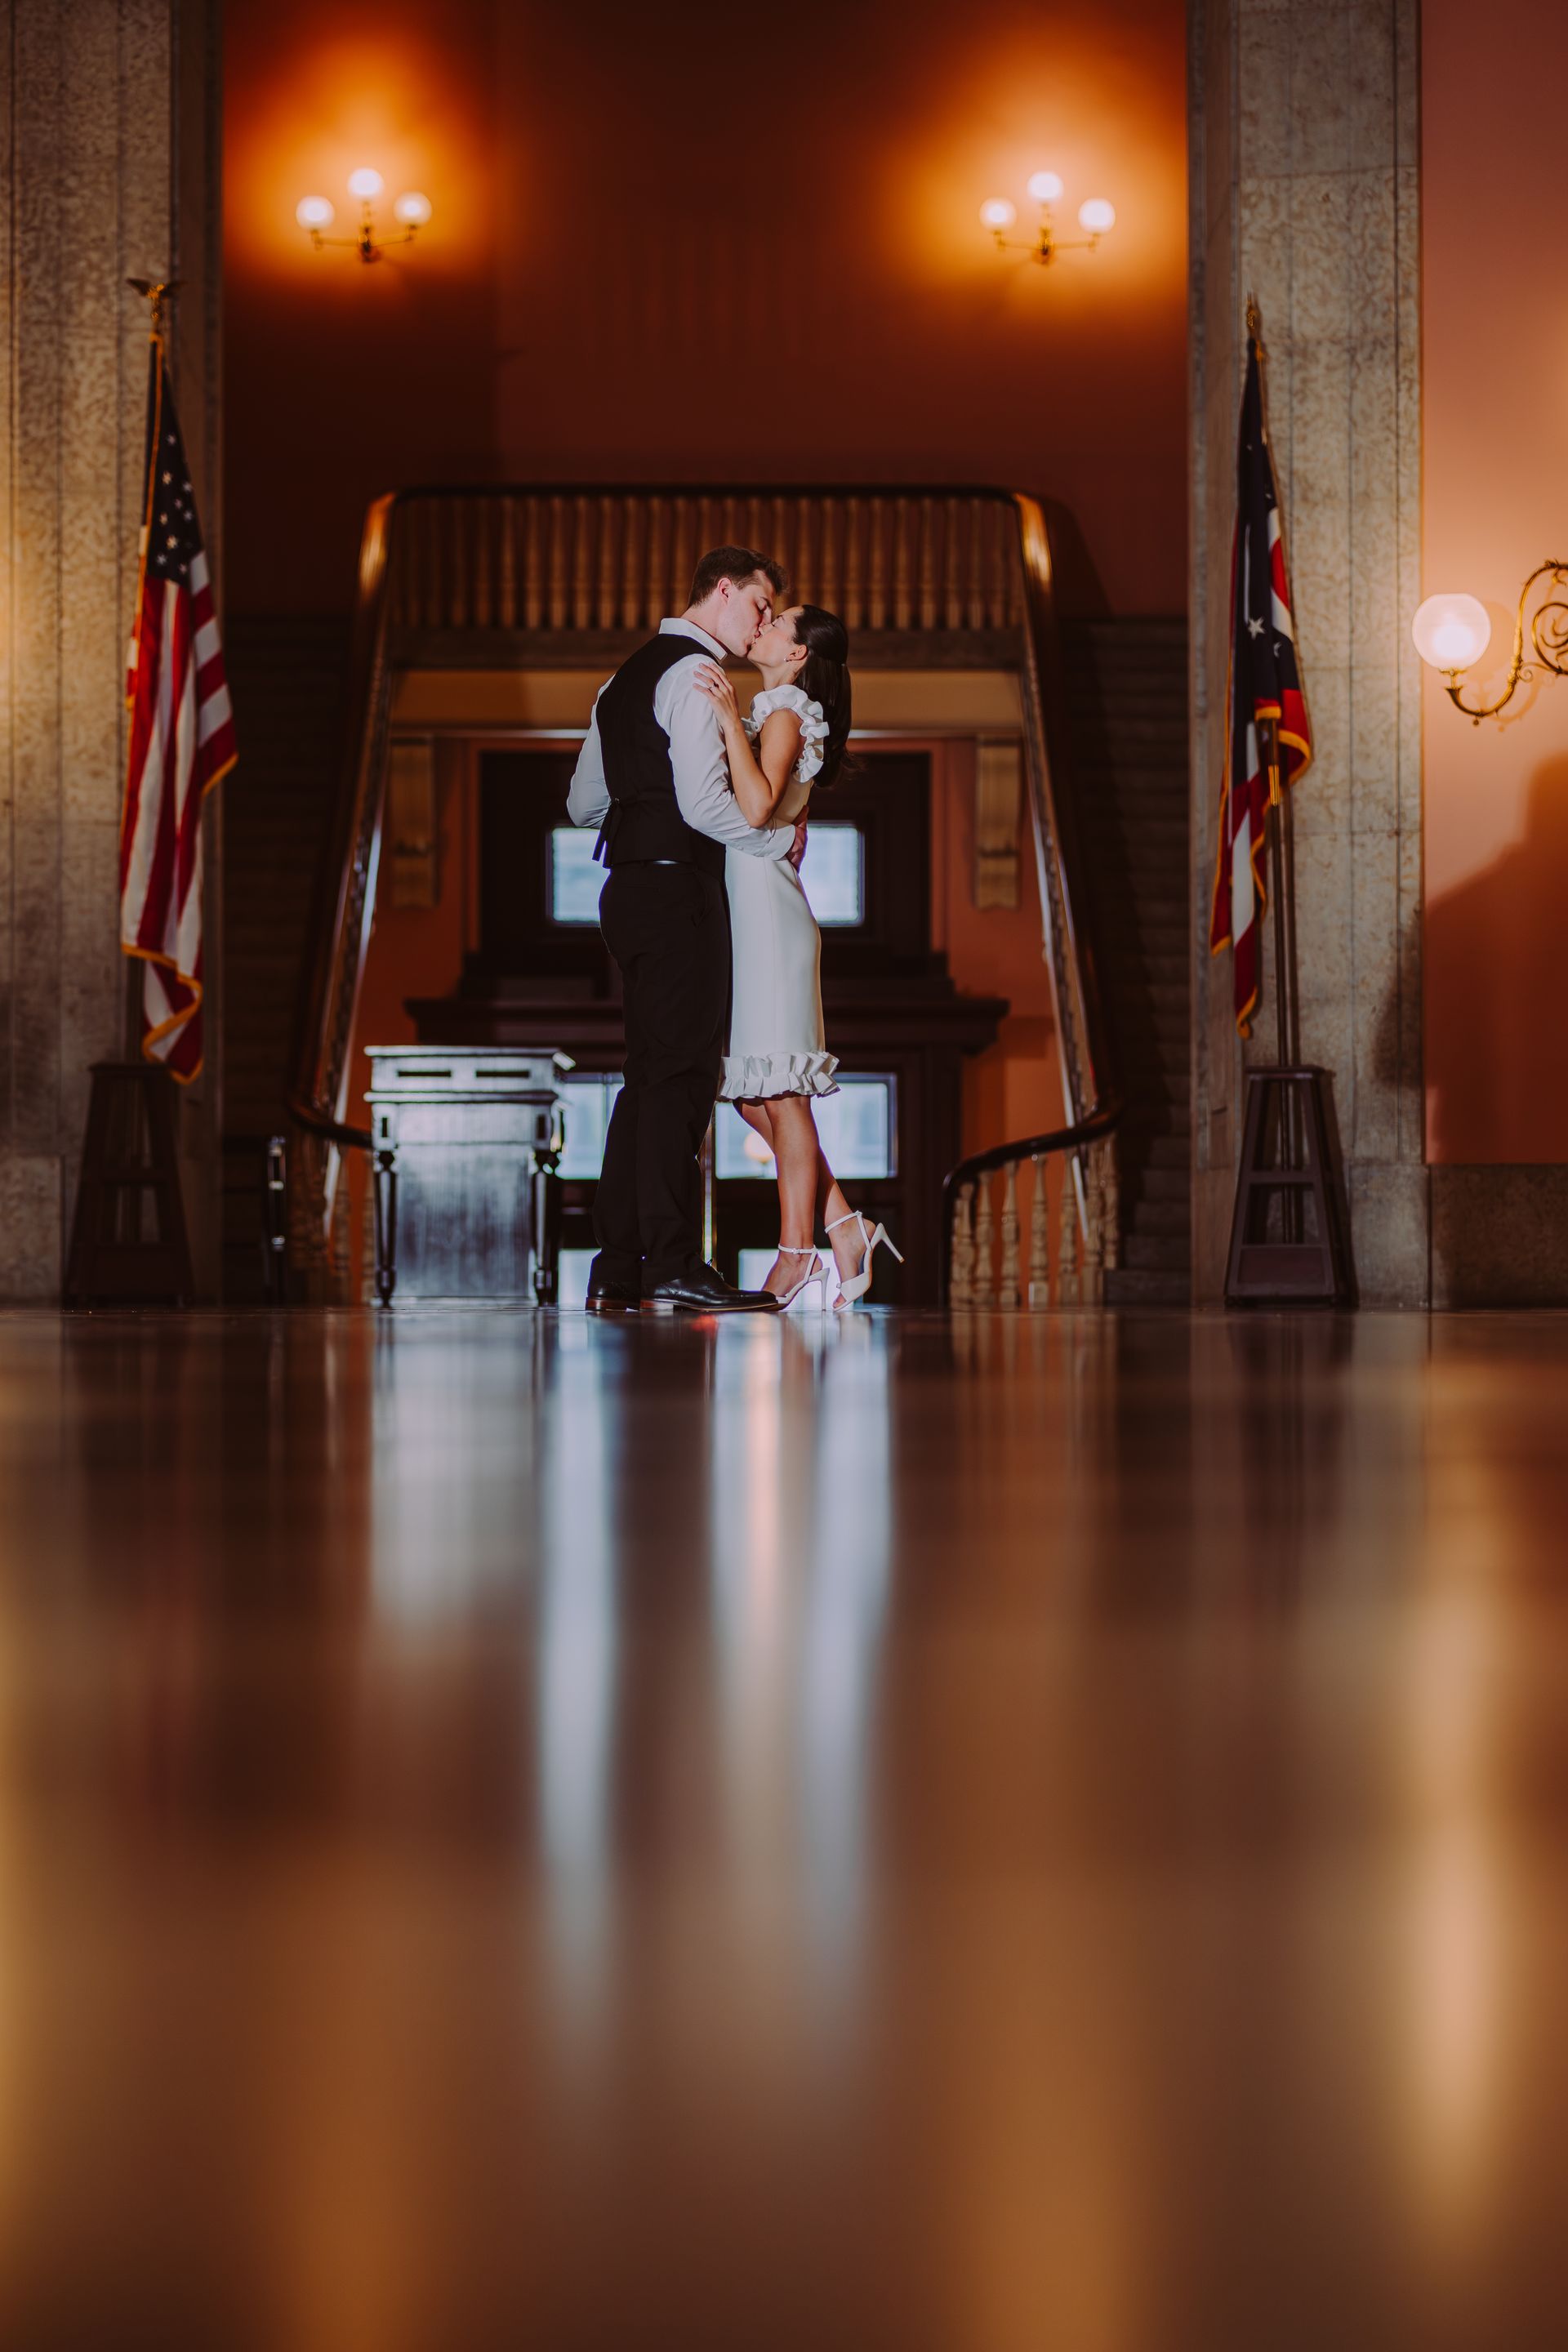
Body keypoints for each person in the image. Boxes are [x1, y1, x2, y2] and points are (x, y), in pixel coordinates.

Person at [566, 546, 804, 1313]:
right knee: (684, 1077)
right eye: (760, 605)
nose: (763, 622)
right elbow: (706, 810)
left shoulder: (622, 678)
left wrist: (643, 824)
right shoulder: (694, 676)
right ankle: (671, 1259)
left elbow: (583, 803)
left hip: (626, 892)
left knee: (647, 1078)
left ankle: (617, 1265)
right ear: (723, 590)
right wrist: (775, 844)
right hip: (680, 896)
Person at [693, 605, 902, 1309]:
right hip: (755, 914)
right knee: (755, 1099)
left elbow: (755, 810)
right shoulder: (780, 710)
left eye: (777, 621)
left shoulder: (784, 711)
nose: (764, 624)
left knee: (777, 1096)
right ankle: (845, 1225)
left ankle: (795, 1256)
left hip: (771, 922)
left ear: (799, 654)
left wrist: (726, 719)